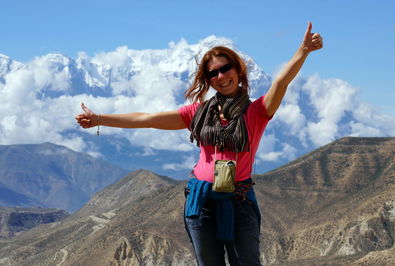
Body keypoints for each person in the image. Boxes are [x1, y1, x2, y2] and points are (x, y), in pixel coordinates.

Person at [75, 22, 323, 265]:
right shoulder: (198, 113)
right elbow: (147, 119)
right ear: (208, 80)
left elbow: (280, 83)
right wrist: (99, 119)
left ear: (238, 71)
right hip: (201, 201)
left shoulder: (257, 112)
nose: (220, 76)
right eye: (212, 73)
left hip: (239, 201)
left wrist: (303, 51)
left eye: (225, 68)